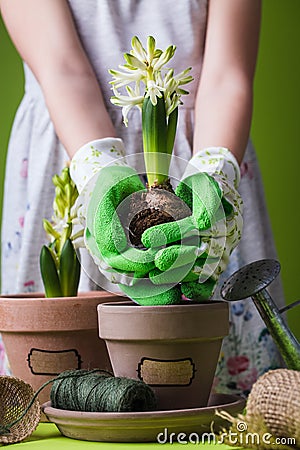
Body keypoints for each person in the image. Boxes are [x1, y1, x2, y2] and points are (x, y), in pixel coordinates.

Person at [0, 0, 285, 394]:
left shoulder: (209, 177)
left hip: (202, 152)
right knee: (68, 385)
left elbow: (227, 76)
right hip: (74, 146)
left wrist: (215, 178)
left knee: (216, 399)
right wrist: (103, 178)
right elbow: (62, 69)